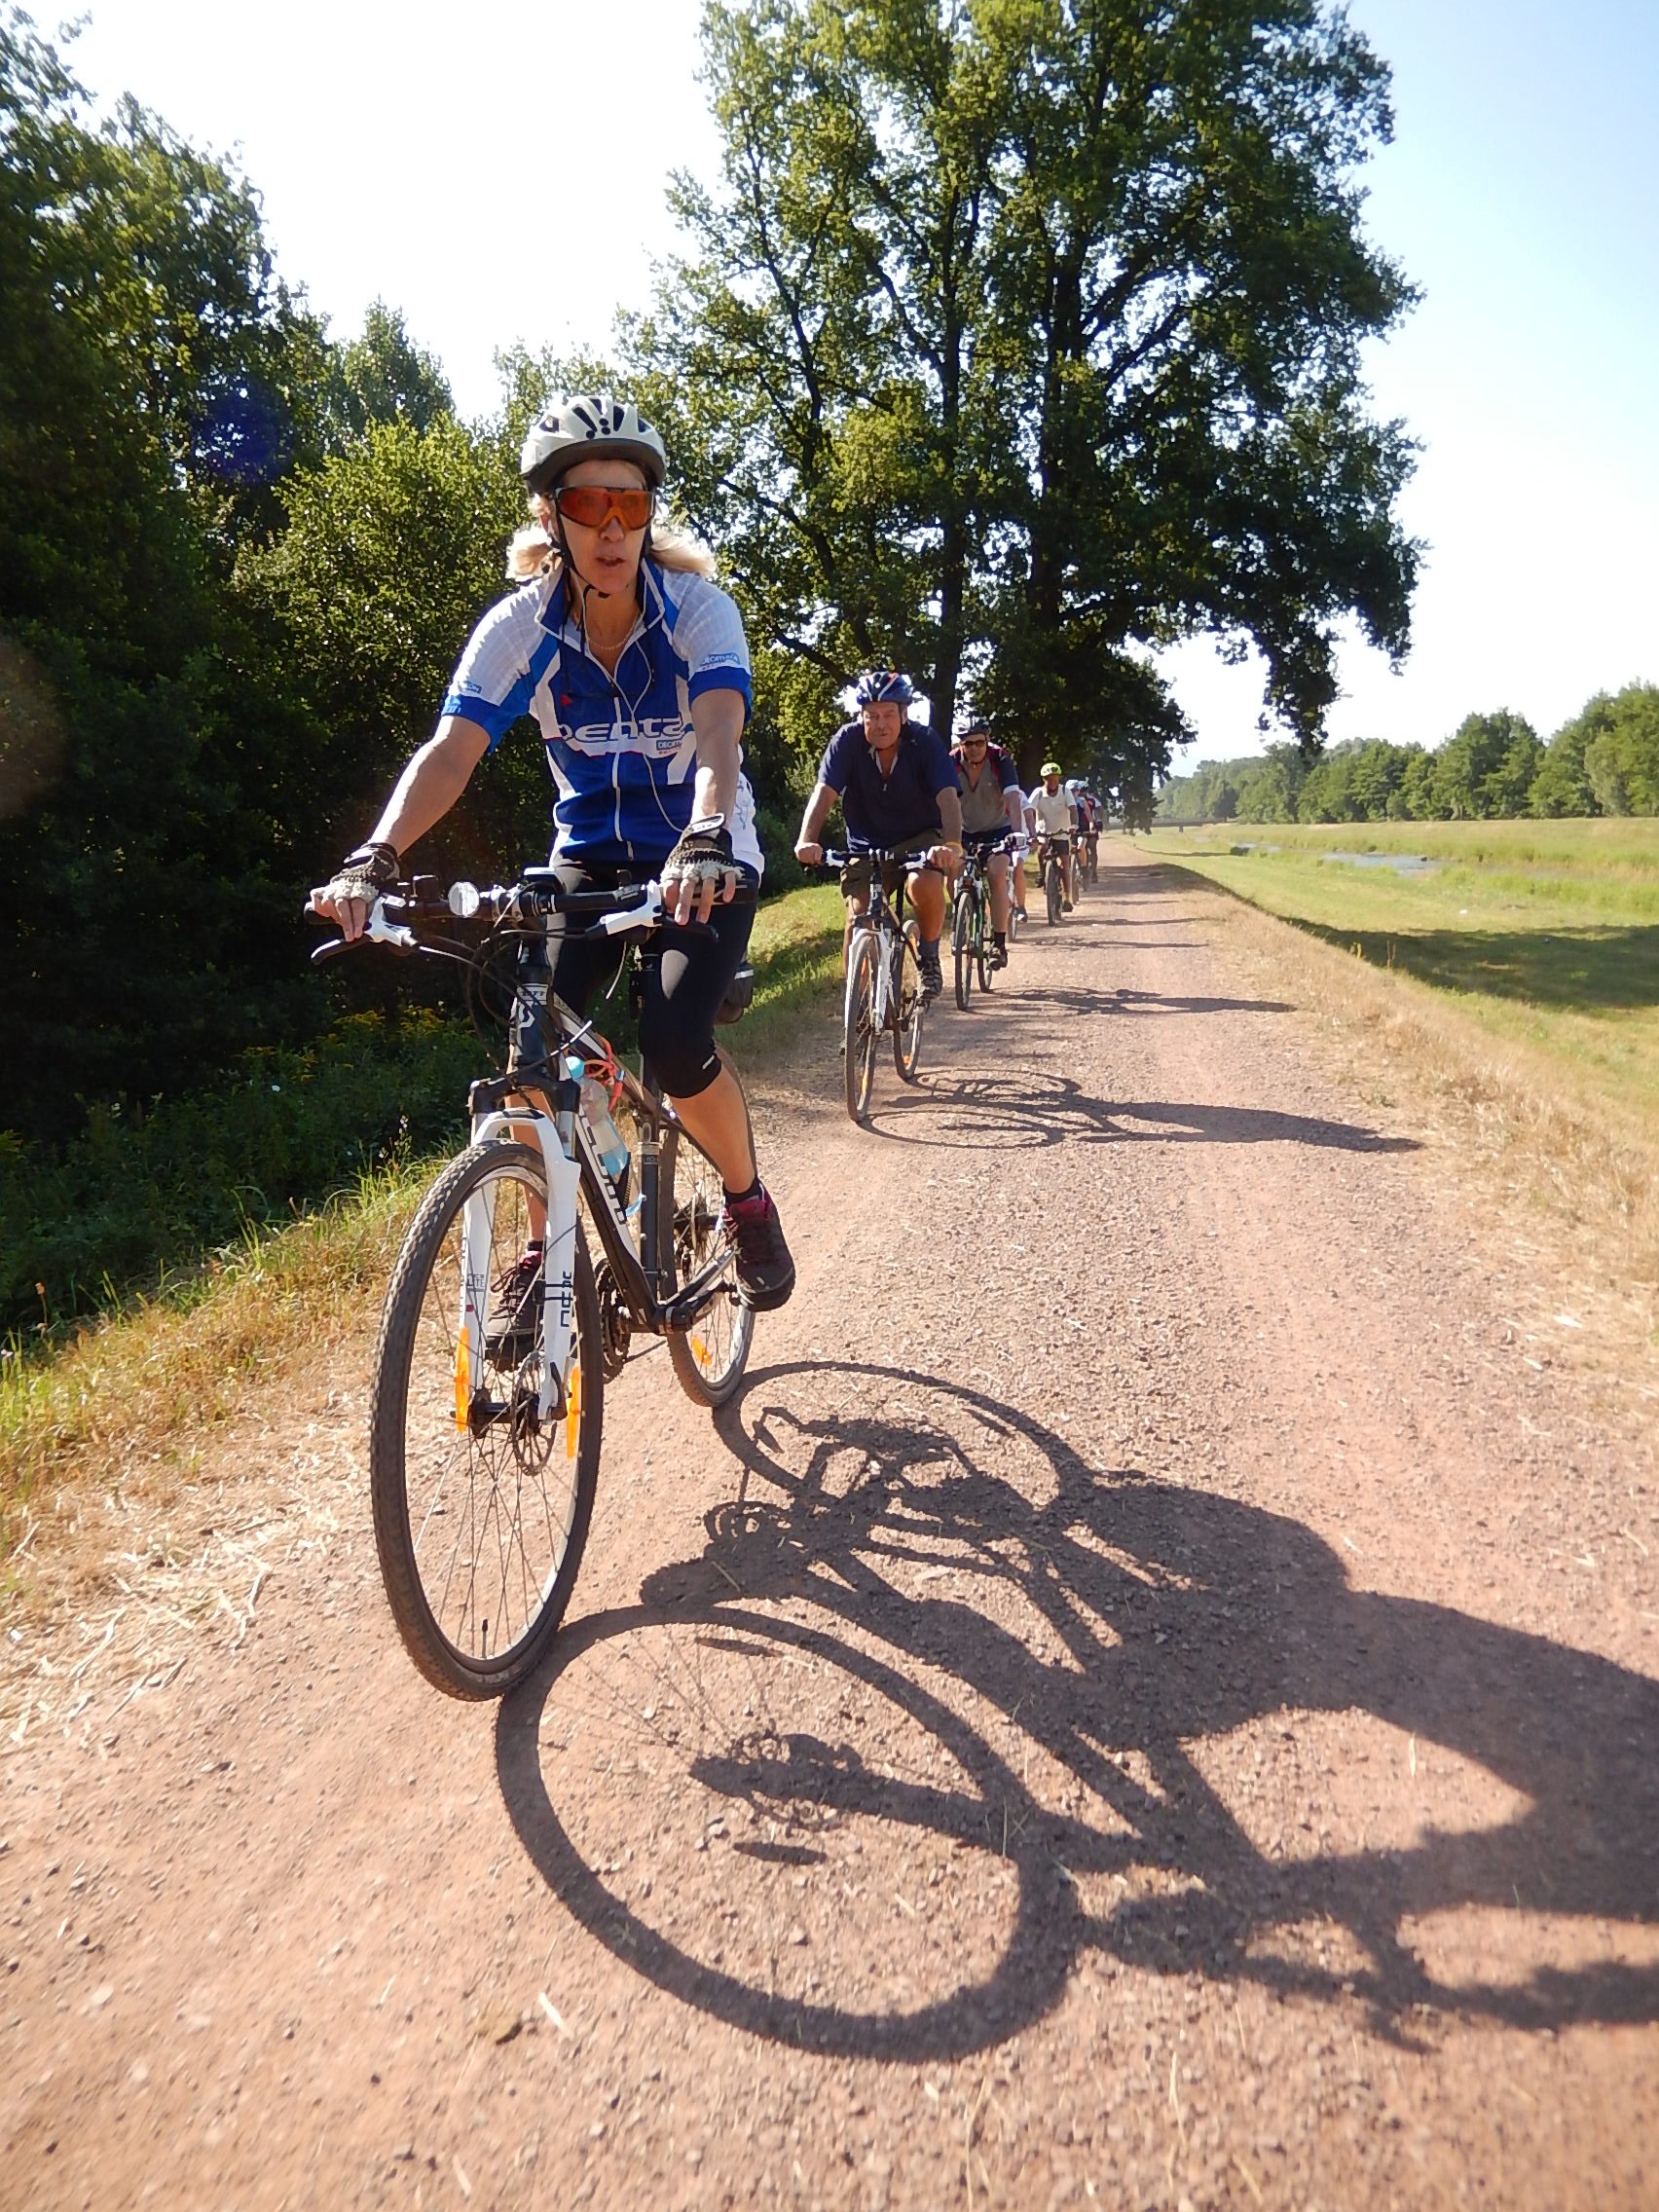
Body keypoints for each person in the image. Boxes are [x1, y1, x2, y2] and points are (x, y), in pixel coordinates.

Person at [311, 391, 794, 1311]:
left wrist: (704, 833)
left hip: (703, 850)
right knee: (533, 1053)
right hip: (592, 856)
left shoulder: (697, 611)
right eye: (587, 504)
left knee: (676, 1038)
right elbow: (451, 753)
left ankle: (747, 1202)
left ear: (647, 516)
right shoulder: (521, 629)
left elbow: (719, 735)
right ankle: (546, 1248)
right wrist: (373, 855)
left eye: (630, 505)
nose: (612, 528)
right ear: (550, 516)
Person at [793, 672, 963, 1002]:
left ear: (903, 714)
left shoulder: (924, 741)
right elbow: (824, 792)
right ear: (862, 716)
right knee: (858, 918)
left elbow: (947, 797)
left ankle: (929, 956)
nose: (880, 724)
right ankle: (856, 1008)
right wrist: (806, 840)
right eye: (872, 716)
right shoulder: (847, 741)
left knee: (924, 883)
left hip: (918, 838)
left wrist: (952, 846)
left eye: (888, 714)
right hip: (866, 845)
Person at [951, 720, 1025, 966]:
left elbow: (1013, 797)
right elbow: (942, 799)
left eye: (979, 743)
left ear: (987, 741)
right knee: (951, 868)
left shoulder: (1000, 759)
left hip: (998, 829)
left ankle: (999, 943)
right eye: (968, 744)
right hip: (964, 830)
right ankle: (963, 915)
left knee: (996, 874)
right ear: (960, 744)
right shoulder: (950, 762)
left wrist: (1016, 832)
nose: (974, 748)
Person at [1029, 761, 1078, 909]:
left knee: (1064, 863)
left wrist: (1073, 825)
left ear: (1059, 778)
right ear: (1044, 779)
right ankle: (1042, 873)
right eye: (1049, 778)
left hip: (1062, 831)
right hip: (1043, 830)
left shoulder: (1065, 791)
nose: (1052, 781)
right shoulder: (1038, 793)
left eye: (1055, 778)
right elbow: (1028, 810)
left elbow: (1073, 809)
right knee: (1042, 848)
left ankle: (1067, 898)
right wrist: (1030, 829)